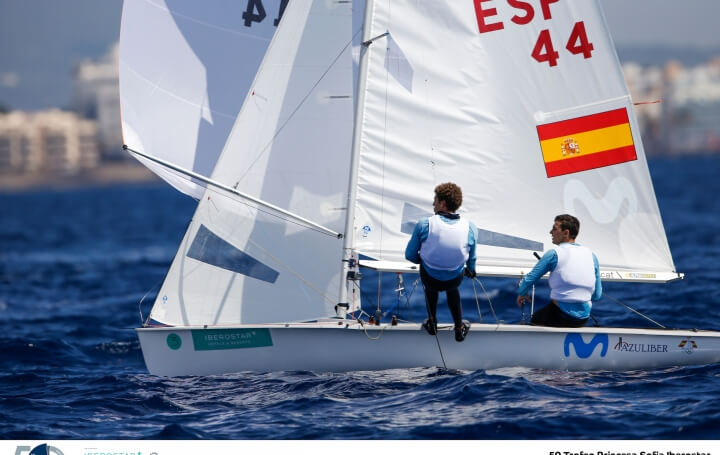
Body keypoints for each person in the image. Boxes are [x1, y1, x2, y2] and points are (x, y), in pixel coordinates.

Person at [405, 182, 477, 342]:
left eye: (435, 200)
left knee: (431, 288)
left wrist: (422, 260)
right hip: (454, 280)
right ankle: (459, 328)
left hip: (430, 278)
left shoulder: (425, 224)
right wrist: (471, 270)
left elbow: (410, 255)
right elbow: (472, 258)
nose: (433, 204)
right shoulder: (470, 228)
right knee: (452, 288)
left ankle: (432, 322)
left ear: (442, 203)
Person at [516, 214, 602, 327]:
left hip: (560, 316)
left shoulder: (554, 254)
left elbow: (529, 279)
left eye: (554, 229)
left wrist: (522, 293)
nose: (550, 232)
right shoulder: (592, 256)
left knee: (536, 318)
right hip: (583, 319)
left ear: (566, 233)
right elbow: (597, 295)